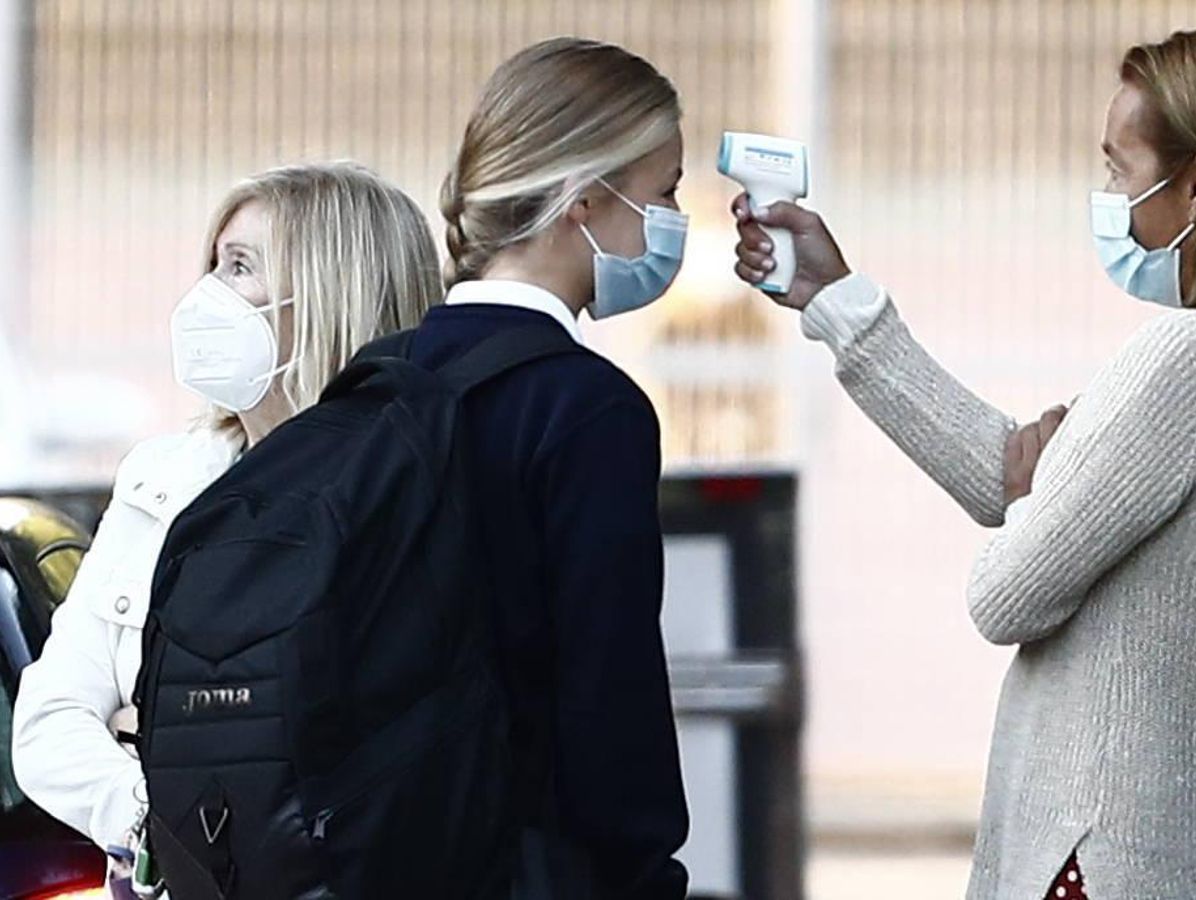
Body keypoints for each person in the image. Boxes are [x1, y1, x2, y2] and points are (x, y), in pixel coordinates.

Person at [734, 26, 1196, 900]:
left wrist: (1044, 485)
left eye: (1121, 170)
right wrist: (834, 299)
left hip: (1104, 861)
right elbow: (1016, 480)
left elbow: (1005, 593)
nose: (1111, 198)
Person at [11, 162, 441, 889]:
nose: (204, 296)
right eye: (213, 264)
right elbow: (50, 720)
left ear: (332, 293)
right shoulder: (162, 476)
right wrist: (163, 818)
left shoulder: (416, 486)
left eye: (239, 268)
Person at [413, 38, 689, 898]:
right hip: (533, 863)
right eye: (664, 193)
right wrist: (643, 867)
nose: (673, 221)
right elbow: (609, 686)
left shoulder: (380, 377)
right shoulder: (588, 408)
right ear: (584, 201)